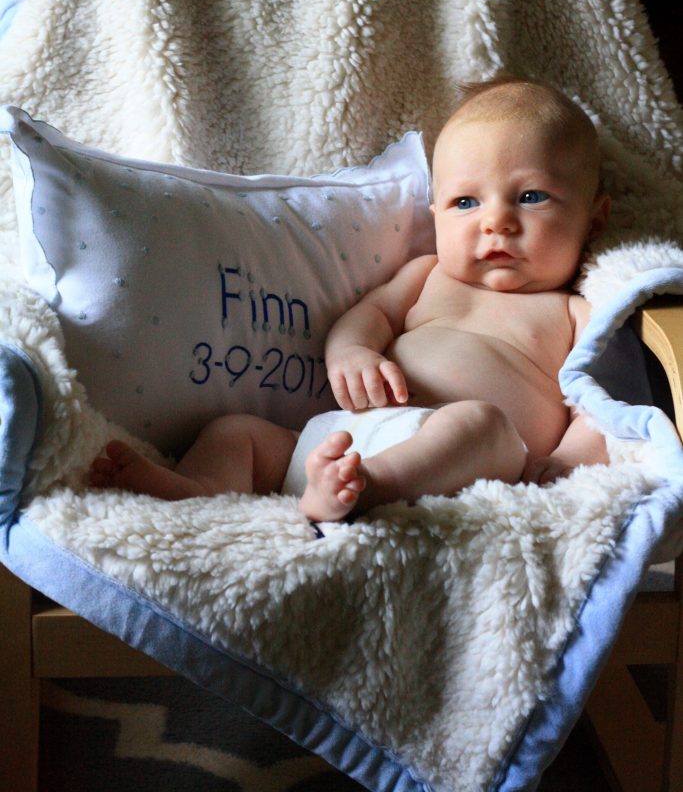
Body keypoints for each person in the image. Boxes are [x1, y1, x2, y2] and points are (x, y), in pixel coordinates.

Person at [90, 76, 612, 522]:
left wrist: (567, 458)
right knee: (236, 433)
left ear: (593, 219)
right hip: (342, 437)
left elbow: (600, 406)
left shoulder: (577, 313)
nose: (496, 221)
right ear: (435, 217)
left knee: (482, 423)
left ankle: (368, 487)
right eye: (465, 202)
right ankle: (201, 490)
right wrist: (353, 353)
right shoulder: (427, 275)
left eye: (531, 197)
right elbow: (369, 315)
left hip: (470, 458)